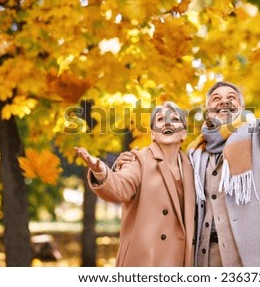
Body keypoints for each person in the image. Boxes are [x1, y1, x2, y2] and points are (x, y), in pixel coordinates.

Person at [116, 44, 260, 266]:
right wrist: (135, 162)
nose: (224, 101)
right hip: (206, 256)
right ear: (208, 112)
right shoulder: (193, 152)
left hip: (254, 253)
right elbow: (164, 173)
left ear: (241, 106)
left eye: (231, 97)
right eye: (216, 98)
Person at [75, 102, 195, 267]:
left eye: (174, 119)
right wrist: (101, 171)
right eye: (160, 119)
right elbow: (120, 187)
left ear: (183, 133)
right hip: (146, 261)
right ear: (153, 134)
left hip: (181, 263)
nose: (167, 123)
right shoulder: (139, 160)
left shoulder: (191, 166)